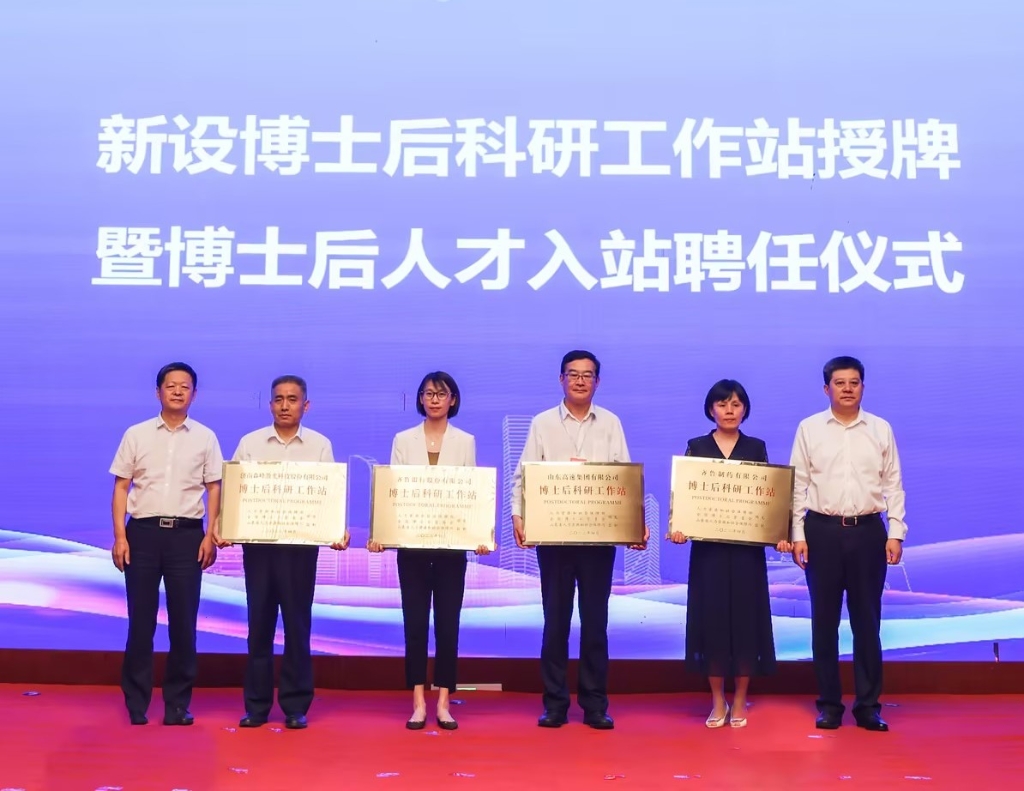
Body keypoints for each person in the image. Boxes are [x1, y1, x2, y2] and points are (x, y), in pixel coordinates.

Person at [511, 350, 647, 730]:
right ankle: (554, 704)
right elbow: (524, 476)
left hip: (598, 540)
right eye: (573, 374)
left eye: (588, 375)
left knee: (595, 623)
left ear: (597, 382)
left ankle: (594, 705)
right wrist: (519, 515)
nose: (580, 381)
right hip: (554, 538)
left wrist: (635, 522)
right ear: (561, 379)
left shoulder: (611, 423)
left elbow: (624, 478)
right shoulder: (542, 423)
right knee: (555, 623)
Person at [220, 375, 348, 731]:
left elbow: (329, 496)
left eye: (292, 399)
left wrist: (336, 528)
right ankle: (257, 706)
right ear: (270, 404)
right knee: (259, 626)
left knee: (297, 625)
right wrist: (223, 524)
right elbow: (234, 492)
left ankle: (295, 705)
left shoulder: (319, 445)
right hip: (259, 548)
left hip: (300, 550)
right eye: (279, 399)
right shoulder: (250, 443)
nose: (285, 406)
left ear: (306, 405)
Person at [790, 356, 907, 732]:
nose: (847, 389)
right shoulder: (809, 428)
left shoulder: (880, 429)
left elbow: (893, 484)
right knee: (824, 622)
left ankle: (868, 706)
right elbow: (797, 485)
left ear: (863, 387)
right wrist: (797, 534)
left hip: (868, 532)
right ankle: (829, 705)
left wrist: (895, 531)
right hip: (821, 532)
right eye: (839, 383)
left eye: (854, 383)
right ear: (826, 389)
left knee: (867, 622)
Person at [368, 371, 489, 731]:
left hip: (451, 548)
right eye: (428, 393)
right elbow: (393, 492)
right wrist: (381, 534)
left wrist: (479, 534)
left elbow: (471, 493)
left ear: (453, 400)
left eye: (441, 393)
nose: (435, 399)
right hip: (413, 546)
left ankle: (444, 701)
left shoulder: (465, 441)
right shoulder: (403, 439)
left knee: (448, 624)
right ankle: (418, 700)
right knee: (416, 622)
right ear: (420, 399)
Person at [669, 379, 791, 728]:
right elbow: (685, 497)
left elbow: (768, 499)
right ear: (711, 409)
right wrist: (679, 526)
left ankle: (739, 700)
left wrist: (779, 534)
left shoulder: (755, 447)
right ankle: (717, 700)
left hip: (746, 554)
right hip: (708, 554)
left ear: (745, 409)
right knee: (712, 622)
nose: (729, 410)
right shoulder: (696, 446)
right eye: (722, 404)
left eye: (736, 404)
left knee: (745, 622)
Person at [109, 362, 222, 726]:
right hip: (142, 534)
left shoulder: (205, 437)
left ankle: (177, 704)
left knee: (184, 624)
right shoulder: (136, 434)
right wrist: (120, 536)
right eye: (170, 385)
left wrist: (210, 534)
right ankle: (136, 703)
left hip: (187, 536)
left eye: (184, 386)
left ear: (194, 394)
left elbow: (214, 488)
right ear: (158, 391)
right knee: (140, 623)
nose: (177, 391)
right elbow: (122, 486)